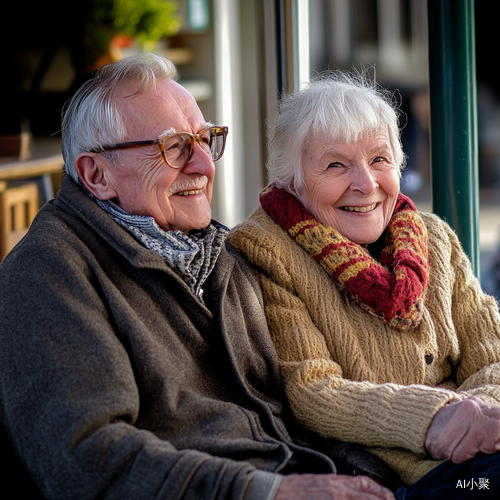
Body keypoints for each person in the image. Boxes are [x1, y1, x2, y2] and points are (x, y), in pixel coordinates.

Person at [0, 54, 395, 500]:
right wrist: (267, 492)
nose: (205, 166)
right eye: (174, 147)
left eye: (206, 141)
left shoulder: (226, 252)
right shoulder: (46, 274)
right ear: (97, 174)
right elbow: (88, 462)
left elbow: (310, 400)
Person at [227, 70, 500, 498]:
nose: (366, 184)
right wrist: (439, 418)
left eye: (379, 160)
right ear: (291, 181)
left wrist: (480, 416)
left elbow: (493, 354)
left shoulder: (433, 237)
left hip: (481, 451)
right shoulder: (268, 254)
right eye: (336, 165)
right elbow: (312, 390)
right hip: (395, 477)